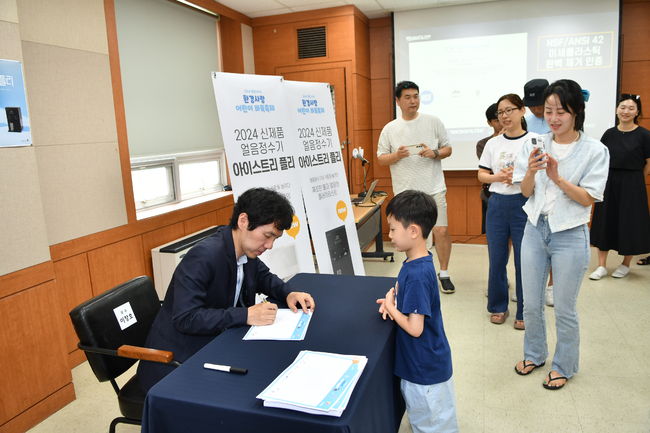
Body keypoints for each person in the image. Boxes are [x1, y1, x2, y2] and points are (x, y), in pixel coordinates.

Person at [137, 188, 316, 392]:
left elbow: (263, 277)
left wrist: (288, 293)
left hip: (216, 341)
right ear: (243, 221)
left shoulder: (245, 251)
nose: (269, 245)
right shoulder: (203, 257)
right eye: (267, 236)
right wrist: (245, 314)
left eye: (274, 239)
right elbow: (186, 318)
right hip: (177, 360)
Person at [512, 79, 609, 390]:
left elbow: (588, 198)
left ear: (576, 112)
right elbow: (526, 193)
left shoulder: (595, 150)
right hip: (534, 228)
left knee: (565, 307)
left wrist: (557, 177)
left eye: (561, 112)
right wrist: (531, 171)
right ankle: (534, 353)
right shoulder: (534, 144)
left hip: (570, 232)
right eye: (549, 111)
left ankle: (564, 365)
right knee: (530, 302)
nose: (553, 118)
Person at [376, 190, 458, 433]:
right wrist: (395, 301)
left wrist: (392, 307)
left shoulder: (418, 274)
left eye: (392, 229)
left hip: (425, 372)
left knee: (432, 425)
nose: (389, 235)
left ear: (413, 231)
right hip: (423, 365)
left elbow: (415, 327)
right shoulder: (417, 261)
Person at [377, 80, 456, 294]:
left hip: (434, 186)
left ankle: (445, 273)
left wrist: (435, 153)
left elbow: (448, 148)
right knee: (410, 236)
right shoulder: (390, 128)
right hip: (406, 191)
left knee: (441, 230)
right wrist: (397, 155)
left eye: (416, 96)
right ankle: (413, 272)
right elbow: (381, 158)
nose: (413, 101)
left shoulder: (433, 121)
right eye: (408, 97)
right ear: (398, 101)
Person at [478, 94, 535, 330]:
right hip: (498, 203)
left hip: (524, 203)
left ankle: (524, 310)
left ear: (522, 111)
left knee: (525, 260)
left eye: (509, 110)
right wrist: (498, 177)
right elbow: (481, 175)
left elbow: (541, 173)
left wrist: (520, 178)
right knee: (497, 258)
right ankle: (498, 306)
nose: (504, 116)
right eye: (501, 112)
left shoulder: (534, 140)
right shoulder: (493, 143)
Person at [589, 94, 650, 280]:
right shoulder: (609, 134)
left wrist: (638, 180)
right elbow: (601, 160)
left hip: (633, 183)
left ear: (637, 111)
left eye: (631, 108)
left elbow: (648, 162)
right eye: (622, 107)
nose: (626, 111)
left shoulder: (644, 135)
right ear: (617, 110)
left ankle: (625, 264)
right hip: (609, 181)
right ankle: (601, 266)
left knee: (630, 223)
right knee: (604, 221)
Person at [523, 78, 555, 307]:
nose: (536, 109)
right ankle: (530, 287)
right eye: (532, 105)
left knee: (554, 242)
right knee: (531, 245)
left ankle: (552, 287)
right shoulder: (526, 121)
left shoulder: (558, 119)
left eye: (540, 104)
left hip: (555, 188)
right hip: (532, 186)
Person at [476, 102, 502, 234]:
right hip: (491, 193)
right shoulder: (483, 144)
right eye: (497, 120)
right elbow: (489, 167)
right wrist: (499, 140)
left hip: (516, 191)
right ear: (489, 123)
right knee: (495, 235)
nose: (501, 122)